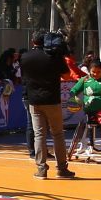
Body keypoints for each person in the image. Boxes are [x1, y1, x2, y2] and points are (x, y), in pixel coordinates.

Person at [22, 32, 73, 179]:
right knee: (58, 134)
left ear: (33, 41)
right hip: (52, 99)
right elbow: (67, 76)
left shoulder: (25, 56)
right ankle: (62, 169)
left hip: (34, 100)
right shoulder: (54, 56)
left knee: (39, 135)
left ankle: (41, 169)